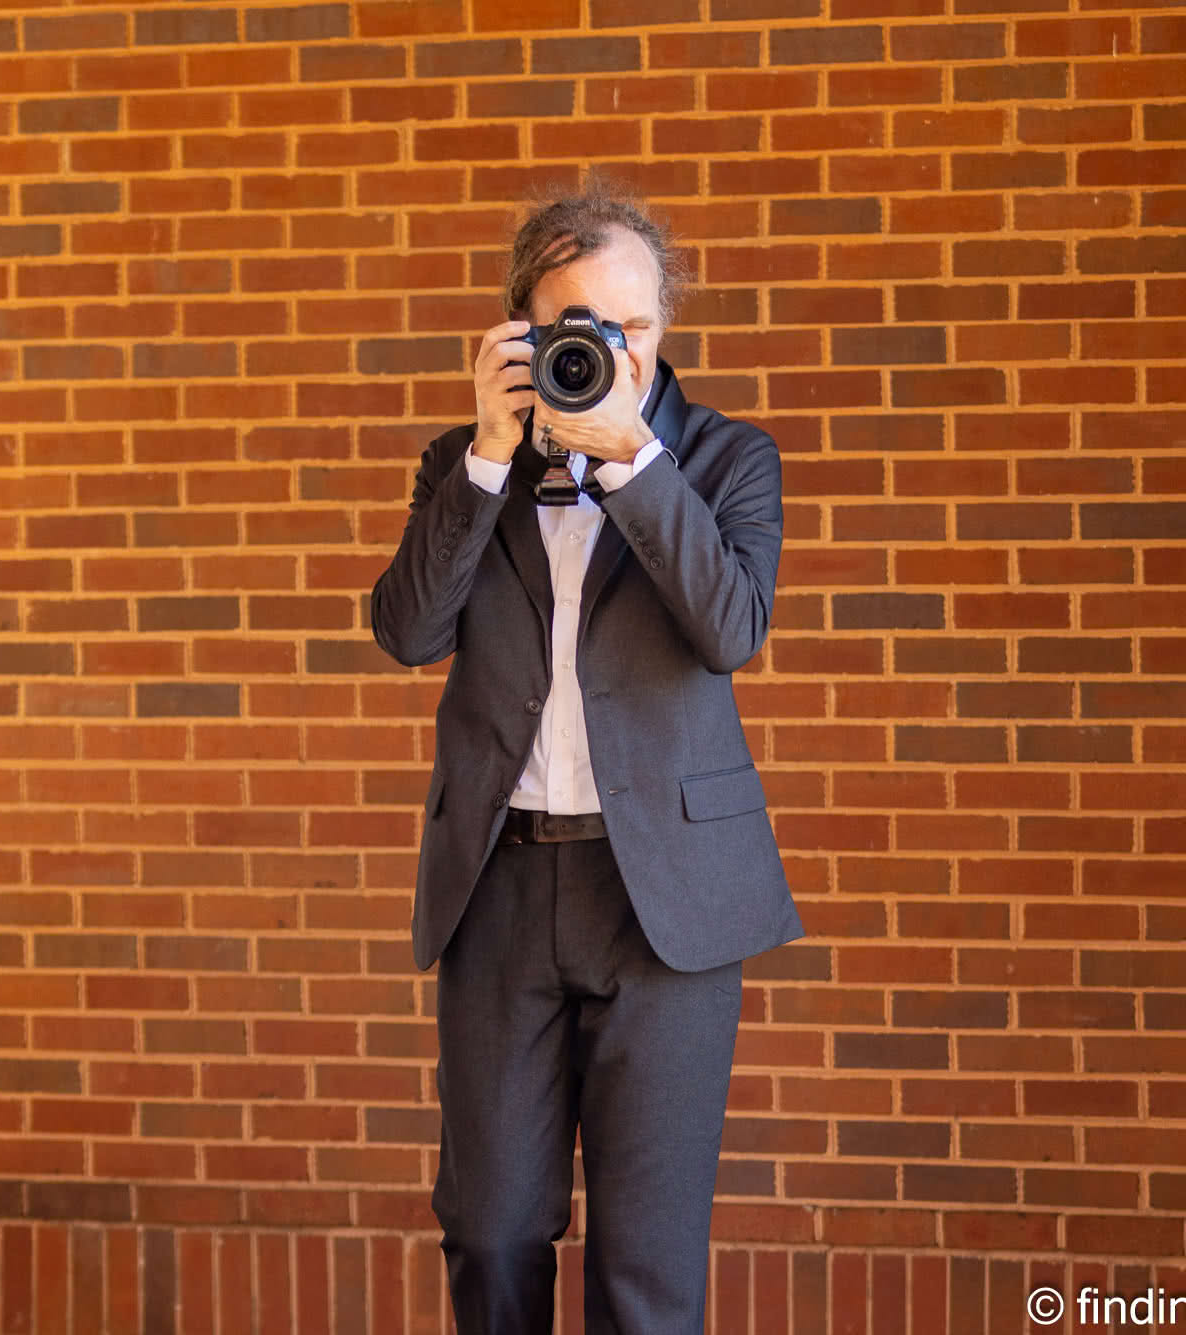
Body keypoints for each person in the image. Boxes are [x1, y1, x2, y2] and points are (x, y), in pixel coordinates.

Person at [369, 180, 805, 1334]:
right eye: (580, 325)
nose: (611, 350)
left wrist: (630, 461)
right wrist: (486, 454)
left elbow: (730, 628)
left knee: (644, 1263)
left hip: (663, 898)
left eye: (635, 325)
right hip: (499, 888)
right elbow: (406, 632)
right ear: (520, 327)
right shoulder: (464, 465)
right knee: (491, 1230)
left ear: (662, 327)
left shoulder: (725, 458)